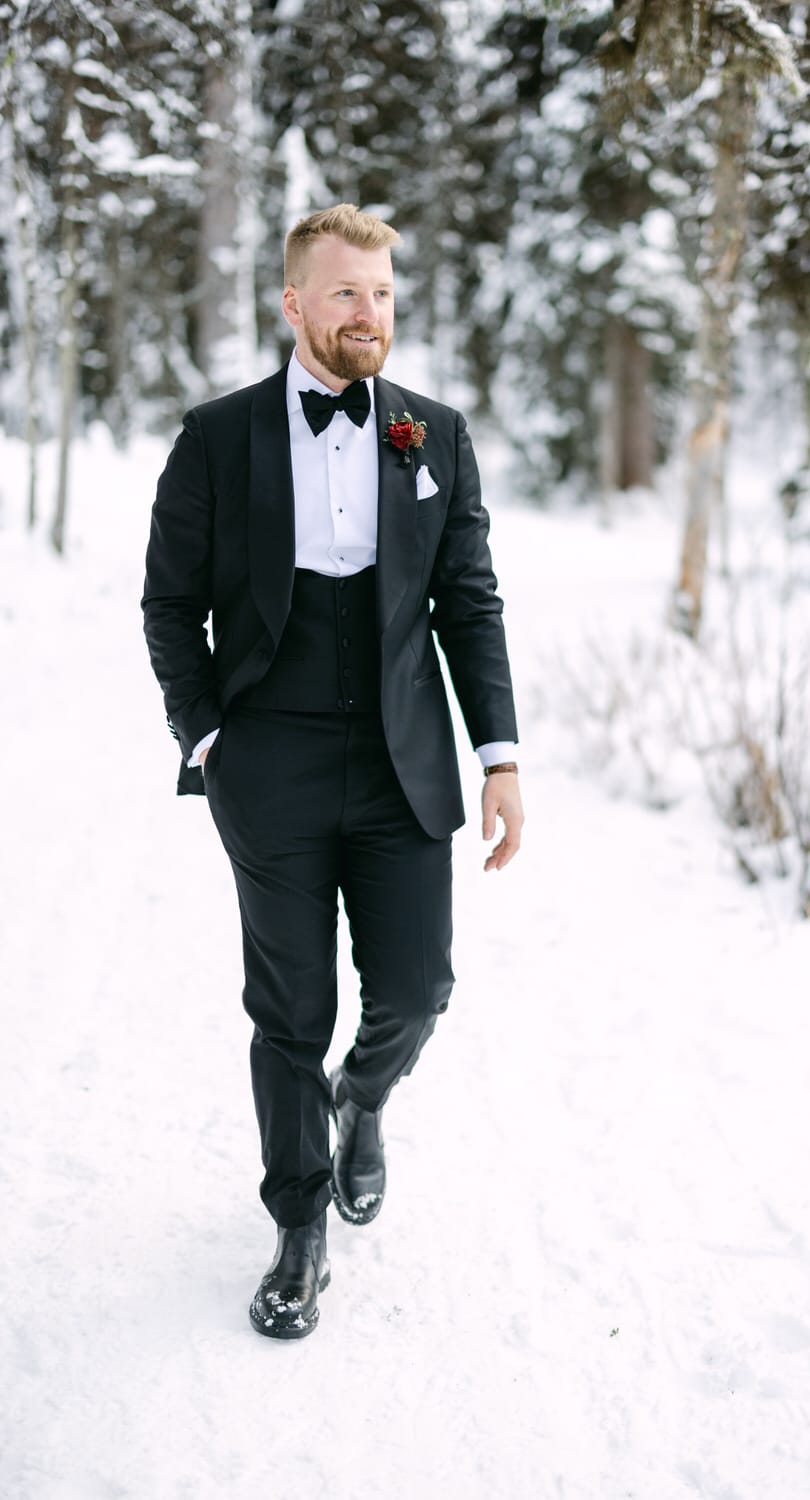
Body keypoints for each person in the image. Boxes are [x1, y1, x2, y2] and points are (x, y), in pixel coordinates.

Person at [142, 203, 523, 1340]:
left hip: (404, 758)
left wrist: (497, 755)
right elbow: (170, 605)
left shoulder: (433, 436)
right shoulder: (218, 437)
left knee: (417, 989)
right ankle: (297, 1225)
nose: (370, 314)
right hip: (271, 760)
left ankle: (363, 1100)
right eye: (346, 292)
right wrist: (207, 737)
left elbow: (469, 603)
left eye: (384, 294)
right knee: (288, 1006)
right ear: (293, 303)